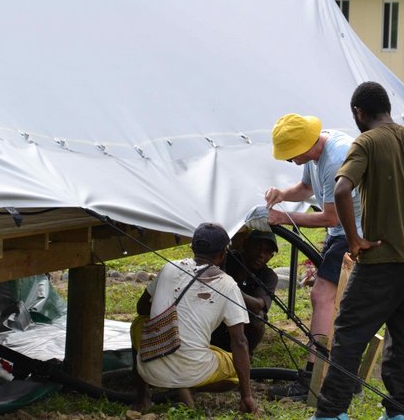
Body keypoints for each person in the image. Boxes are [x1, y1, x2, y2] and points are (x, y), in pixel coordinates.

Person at [311, 82, 404, 420]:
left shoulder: (365, 143)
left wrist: (354, 240)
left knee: (350, 334)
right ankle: (397, 411)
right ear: (387, 109)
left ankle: (330, 412)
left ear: (359, 114)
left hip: (379, 260)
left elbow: (341, 190)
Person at [264, 113, 362, 400]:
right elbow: (306, 189)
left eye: (290, 155)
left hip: (353, 233)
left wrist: (282, 217)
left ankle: (312, 378)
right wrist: (281, 193)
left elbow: (331, 217)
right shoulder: (317, 153)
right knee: (336, 302)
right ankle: (343, 375)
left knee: (323, 297)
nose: (288, 161)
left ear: (305, 145)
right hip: (340, 232)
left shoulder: (336, 158)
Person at [130, 223, 255, 414]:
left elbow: (141, 308)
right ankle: (188, 385)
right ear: (222, 254)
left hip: (151, 369)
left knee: (138, 325)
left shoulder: (169, 268)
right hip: (195, 370)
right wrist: (246, 396)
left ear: (192, 248)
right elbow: (239, 341)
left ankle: (142, 397)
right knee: (235, 375)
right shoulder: (228, 285)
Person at [210, 230, 279, 357]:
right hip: (216, 314)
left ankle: (244, 355)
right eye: (257, 247)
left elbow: (258, 305)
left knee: (257, 318)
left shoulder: (269, 276)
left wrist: (231, 288)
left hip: (243, 321)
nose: (261, 255)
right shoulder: (227, 259)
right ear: (245, 244)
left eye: (268, 252)